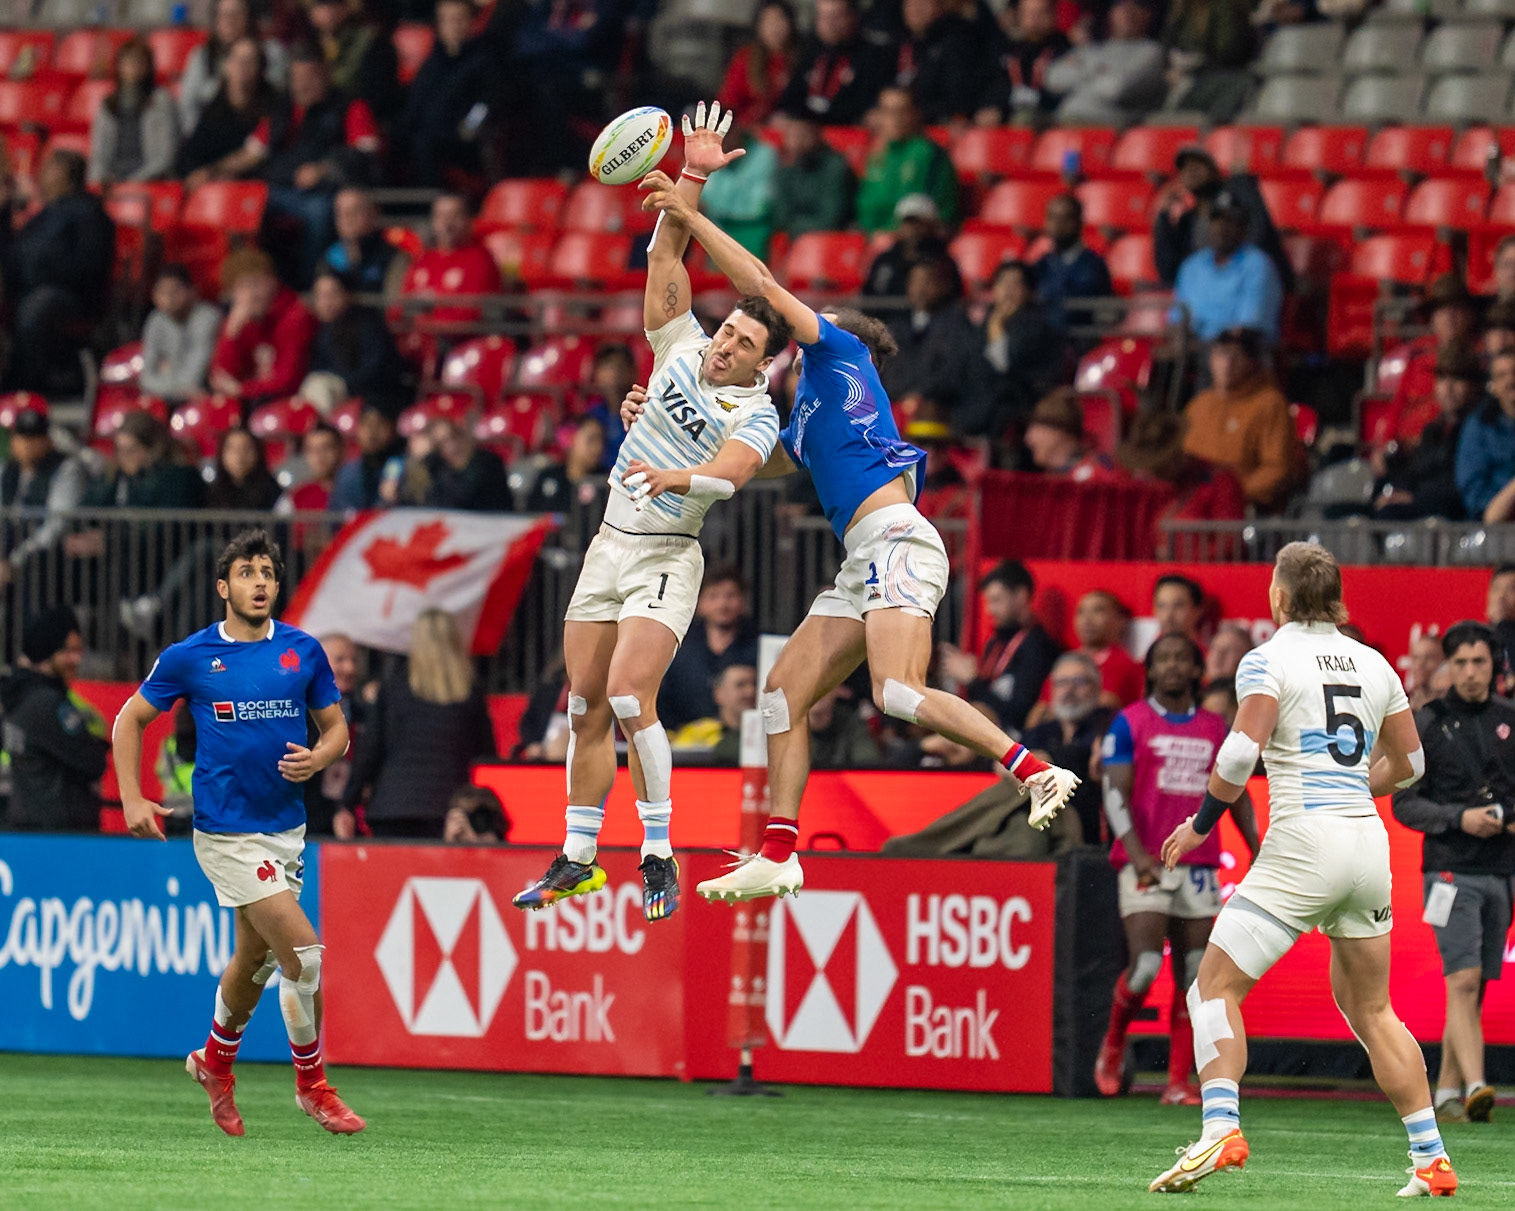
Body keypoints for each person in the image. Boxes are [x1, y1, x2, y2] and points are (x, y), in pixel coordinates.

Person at [634, 155, 1083, 902]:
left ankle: (1033, 768)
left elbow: (764, 289)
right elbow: (744, 465)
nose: (807, 330)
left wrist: (687, 216)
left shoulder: (841, 354)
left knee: (898, 694)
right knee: (780, 696)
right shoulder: (806, 420)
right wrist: (650, 418)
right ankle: (780, 851)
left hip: (899, 541)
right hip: (860, 563)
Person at [510, 107, 784, 923]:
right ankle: (578, 855)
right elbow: (666, 251)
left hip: (670, 551)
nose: (722, 344)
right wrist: (691, 175)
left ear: (762, 360)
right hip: (608, 546)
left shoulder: (756, 412)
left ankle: (659, 848)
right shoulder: (675, 346)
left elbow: (734, 474)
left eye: (740, 341)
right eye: (725, 328)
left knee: (632, 697)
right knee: (583, 705)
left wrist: (682, 473)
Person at [1151, 542, 1454, 1196]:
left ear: (1278, 597)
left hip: (1302, 840)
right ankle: (1430, 1157)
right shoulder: (1374, 663)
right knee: (1371, 1007)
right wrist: (1352, 786)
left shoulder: (1267, 658)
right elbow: (1412, 765)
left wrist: (1200, 822)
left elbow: (1237, 756)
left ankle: (1219, 1127)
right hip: (1365, 846)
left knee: (1211, 988)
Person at [111, 529, 363, 1137]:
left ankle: (214, 1064)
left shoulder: (302, 651)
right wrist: (131, 798)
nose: (260, 583)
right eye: (247, 573)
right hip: (225, 834)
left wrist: (320, 758)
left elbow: (337, 731)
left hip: (286, 830)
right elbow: (129, 720)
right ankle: (313, 1087)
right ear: (224, 587)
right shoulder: (190, 657)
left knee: (252, 963)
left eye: (268, 574)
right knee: (303, 955)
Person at [1097, 633, 1258, 1105]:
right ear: (1150, 670)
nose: (1171, 666)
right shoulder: (1129, 723)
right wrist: (1137, 851)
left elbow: (1237, 792)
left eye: (1181, 658)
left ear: (1195, 669)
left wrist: (1256, 848)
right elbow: (1113, 793)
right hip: (1144, 863)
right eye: (1162, 658)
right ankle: (1112, 1044)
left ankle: (1178, 1081)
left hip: (1200, 863)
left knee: (1194, 975)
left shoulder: (1215, 728)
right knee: (1146, 967)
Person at [1392, 621, 1514, 1126]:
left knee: (1474, 984)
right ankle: (1478, 1084)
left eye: (1479, 662)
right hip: (1448, 869)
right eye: (1460, 662)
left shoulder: (1511, 720)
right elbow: (1403, 802)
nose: (1469, 672)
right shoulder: (1426, 721)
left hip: (1503, 868)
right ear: (1448, 667)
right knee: (1462, 978)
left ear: (1496, 667)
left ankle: (1443, 1090)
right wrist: (1457, 818)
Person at [341, 608, 496, 837]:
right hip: (449, 810)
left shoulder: (394, 687)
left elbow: (369, 750)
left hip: (392, 808)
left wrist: (347, 804)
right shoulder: (469, 693)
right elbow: (486, 755)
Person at [247, 45, 381, 283]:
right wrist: (213, 171)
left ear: (326, 75)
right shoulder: (283, 107)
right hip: (278, 187)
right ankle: (259, 281)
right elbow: (253, 151)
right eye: (296, 78)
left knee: (318, 212)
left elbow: (367, 150)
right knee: (247, 205)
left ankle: (313, 284)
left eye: (309, 77)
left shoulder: (348, 105)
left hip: (324, 191)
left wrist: (324, 170)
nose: (302, 85)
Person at [0, 149, 115, 393]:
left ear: (66, 175)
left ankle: (34, 383)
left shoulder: (90, 213)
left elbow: (90, 265)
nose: (40, 174)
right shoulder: (43, 215)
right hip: (26, 289)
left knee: (37, 306)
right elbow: (11, 255)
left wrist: (42, 272)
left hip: (71, 296)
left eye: (49, 168)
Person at [1, 607, 108, 832]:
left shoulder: (16, 696)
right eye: (68, 651)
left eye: (79, 650)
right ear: (46, 652)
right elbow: (93, 761)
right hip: (60, 832)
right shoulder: (47, 703)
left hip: (24, 826)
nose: (77, 659)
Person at [936, 558, 1063, 734]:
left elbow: (1019, 715)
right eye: (988, 602)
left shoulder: (1039, 647)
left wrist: (973, 681)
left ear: (1021, 595)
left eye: (996, 600)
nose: (989, 610)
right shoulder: (994, 644)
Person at [1181, 326, 1299, 510]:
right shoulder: (1199, 405)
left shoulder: (1270, 404)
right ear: (1211, 359)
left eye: (1237, 356)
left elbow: (1277, 469)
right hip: (1196, 507)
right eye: (1221, 355)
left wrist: (1231, 494)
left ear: (1252, 362)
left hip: (1246, 512)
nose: (1227, 364)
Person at [1155, 146, 1290, 292]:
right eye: (1184, 168)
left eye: (1198, 164)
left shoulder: (1236, 195)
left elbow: (1258, 234)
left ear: (1214, 170)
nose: (1191, 171)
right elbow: (1168, 272)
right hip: (1207, 295)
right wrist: (1163, 219)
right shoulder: (1187, 221)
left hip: (1247, 287)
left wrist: (1241, 179)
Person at [1375, 347, 1482, 521]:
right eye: (1442, 378)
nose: (1447, 387)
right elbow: (1418, 472)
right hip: (1423, 505)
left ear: (1474, 385)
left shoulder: (1478, 429)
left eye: (1457, 378)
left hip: (1449, 514)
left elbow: (1460, 488)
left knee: (1389, 514)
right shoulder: (1434, 428)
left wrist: (1414, 498)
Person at [395, 0, 493, 187]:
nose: (452, 26)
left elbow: (485, 105)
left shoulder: (485, 61)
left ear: (472, 22)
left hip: (462, 140)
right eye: (446, 20)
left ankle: (429, 206)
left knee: (424, 144)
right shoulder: (431, 64)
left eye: (458, 19)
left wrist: (468, 129)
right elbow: (415, 107)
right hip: (426, 134)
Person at [1023, 650, 1117, 844]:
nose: (1069, 690)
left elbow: (1078, 760)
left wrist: (1037, 761)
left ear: (1098, 689)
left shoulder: (1108, 725)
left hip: (1086, 824)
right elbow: (1004, 761)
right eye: (1062, 683)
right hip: (1040, 818)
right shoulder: (1043, 730)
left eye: (1079, 682)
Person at [1378, 277, 1479, 457]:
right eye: (1440, 310)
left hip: (1451, 450)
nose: (1449, 316)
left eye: (1456, 308)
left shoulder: (1480, 356)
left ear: (1469, 314)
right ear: (1432, 318)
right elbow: (1398, 406)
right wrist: (1385, 447)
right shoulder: (1419, 356)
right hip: (1407, 450)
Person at [210, 249, 318, 405]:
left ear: (273, 282)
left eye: (256, 284)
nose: (251, 294)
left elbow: (289, 381)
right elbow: (222, 377)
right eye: (242, 287)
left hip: (293, 401)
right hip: (253, 401)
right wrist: (231, 335)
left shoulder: (296, 316)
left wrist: (242, 389)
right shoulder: (238, 319)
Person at [1172, 195, 1283, 347]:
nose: (1222, 227)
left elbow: (1249, 328)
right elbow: (1177, 319)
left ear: (1244, 228)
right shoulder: (1191, 266)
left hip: (1238, 351)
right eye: (1217, 220)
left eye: (1231, 221)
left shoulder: (1258, 265)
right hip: (1190, 351)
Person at [659, 565, 760, 730]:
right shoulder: (679, 647)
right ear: (699, 603)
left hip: (743, 740)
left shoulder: (758, 647)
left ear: (743, 601)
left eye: (730, 596)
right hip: (684, 743)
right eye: (713, 596)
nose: (722, 604)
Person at [882, 255, 980, 425]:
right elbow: (889, 371)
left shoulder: (957, 324)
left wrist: (921, 395)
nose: (920, 289)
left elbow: (954, 372)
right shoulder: (896, 327)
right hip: (897, 405)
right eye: (915, 282)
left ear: (944, 286)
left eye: (927, 281)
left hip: (940, 409)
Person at [0, 403, 89, 589]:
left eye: (34, 438)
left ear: (47, 440)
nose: (27, 444)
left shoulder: (65, 468)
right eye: (21, 437)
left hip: (45, 560)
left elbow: (55, 526)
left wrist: (16, 559)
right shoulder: (7, 470)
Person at [174, 37, 280, 187]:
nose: (243, 66)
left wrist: (216, 173)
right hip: (213, 193)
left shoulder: (274, 107)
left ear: (260, 68)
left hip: (256, 191)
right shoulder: (214, 110)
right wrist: (198, 174)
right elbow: (189, 156)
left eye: (250, 61)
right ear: (227, 65)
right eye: (237, 59)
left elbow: (259, 155)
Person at [854, 87, 958, 236]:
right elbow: (865, 207)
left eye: (902, 111)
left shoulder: (929, 154)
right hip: (873, 238)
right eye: (888, 112)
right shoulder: (875, 155)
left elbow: (929, 212)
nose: (895, 119)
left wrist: (889, 235)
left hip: (916, 241)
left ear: (915, 114)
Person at [1043, 0, 1165, 126]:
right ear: (1111, 13)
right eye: (1121, 7)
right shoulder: (1094, 48)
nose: (1128, 13)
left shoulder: (1151, 51)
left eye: (1136, 7)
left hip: (1113, 130)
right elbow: (1052, 78)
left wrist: (1083, 70)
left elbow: (1116, 88)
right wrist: (1099, 72)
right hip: (1067, 124)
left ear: (1147, 15)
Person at [177, 0, 289, 133]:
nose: (229, 20)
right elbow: (187, 104)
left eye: (236, 14)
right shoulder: (203, 56)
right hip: (211, 134)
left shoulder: (272, 52)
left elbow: (279, 100)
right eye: (223, 15)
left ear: (249, 17)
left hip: (258, 134)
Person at [775, 0, 893, 126]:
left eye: (836, 16)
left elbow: (862, 111)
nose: (829, 24)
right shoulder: (808, 51)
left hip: (846, 135)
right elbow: (790, 99)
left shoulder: (874, 57)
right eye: (823, 16)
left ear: (853, 17)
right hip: (803, 132)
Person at [308, 268, 408, 409]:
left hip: (376, 398)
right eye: (321, 296)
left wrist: (344, 384)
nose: (326, 302)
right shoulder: (318, 330)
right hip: (338, 394)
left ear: (347, 295)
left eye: (332, 294)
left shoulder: (368, 325)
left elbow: (375, 371)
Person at [401, 193, 503, 330]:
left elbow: (468, 317)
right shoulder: (423, 258)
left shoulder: (480, 260)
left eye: (455, 216)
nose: (447, 223)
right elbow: (399, 310)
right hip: (416, 343)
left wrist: (429, 310)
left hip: (457, 344)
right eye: (440, 216)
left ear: (469, 220)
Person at [88, 37, 179, 187]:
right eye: (127, 62)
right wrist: (98, 183)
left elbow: (165, 157)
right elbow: (99, 156)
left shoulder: (161, 101)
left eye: (138, 62)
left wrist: (131, 183)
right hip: (113, 182)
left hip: (150, 182)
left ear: (148, 67)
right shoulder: (108, 104)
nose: (132, 67)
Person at [307, 0, 400, 126]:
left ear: (346, 7)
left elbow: (374, 94)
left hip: (359, 120)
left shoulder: (371, 42)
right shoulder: (312, 45)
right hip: (322, 121)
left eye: (330, 5)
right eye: (318, 6)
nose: (326, 12)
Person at [1161, 0, 1255, 123]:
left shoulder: (1230, 8)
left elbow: (1235, 55)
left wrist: (1197, 64)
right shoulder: (1179, 10)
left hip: (1220, 77)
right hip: (1185, 79)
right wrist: (1169, 70)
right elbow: (1167, 46)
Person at [975, 0, 1071, 121]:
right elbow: (994, 85)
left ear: (1053, 14)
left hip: (1051, 115)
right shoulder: (1008, 50)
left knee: (1023, 118)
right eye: (1029, 13)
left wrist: (1039, 98)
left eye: (1041, 12)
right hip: (1008, 113)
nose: (1035, 19)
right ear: (1019, 15)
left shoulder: (1065, 49)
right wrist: (996, 105)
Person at [139, 264, 222, 403]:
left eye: (175, 291)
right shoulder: (155, 320)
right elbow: (146, 378)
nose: (168, 298)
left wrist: (166, 377)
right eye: (162, 292)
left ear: (192, 291)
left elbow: (194, 378)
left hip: (207, 397)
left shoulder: (208, 317)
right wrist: (177, 389)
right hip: (174, 396)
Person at [890, 0, 983, 123]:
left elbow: (957, 101)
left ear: (939, 7)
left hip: (935, 126)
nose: (916, 9)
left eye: (924, 3)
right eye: (910, 3)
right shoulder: (893, 45)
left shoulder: (956, 42)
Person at [1034, 194, 1114, 335]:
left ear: (1078, 222)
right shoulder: (1043, 263)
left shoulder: (1092, 265)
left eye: (1065, 218)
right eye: (1052, 217)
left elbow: (1073, 310)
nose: (1057, 225)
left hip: (1076, 341)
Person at [306, 632, 361, 837]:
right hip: (305, 823)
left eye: (353, 660)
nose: (350, 668)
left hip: (348, 823)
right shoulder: (297, 710)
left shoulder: (364, 711)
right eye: (340, 660)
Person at [771, 109, 856, 239]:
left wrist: (795, 225)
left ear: (818, 136)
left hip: (830, 240)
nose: (797, 142)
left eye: (803, 135)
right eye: (792, 136)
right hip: (797, 239)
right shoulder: (785, 169)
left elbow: (830, 220)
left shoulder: (835, 167)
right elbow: (780, 218)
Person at [697, 121, 778, 256]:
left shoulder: (765, 154)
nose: (720, 141)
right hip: (716, 229)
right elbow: (702, 199)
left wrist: (712, 208)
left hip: (752, 229)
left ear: (737, 130)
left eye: (724, 134)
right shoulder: (711, 155)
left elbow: (757, 207)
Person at [716, 0, 796, 128]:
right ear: (758, 26)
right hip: (748, 131)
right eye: (768, 21)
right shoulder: (745, 58)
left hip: (792, 133)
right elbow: (727, 103)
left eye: (780, 19)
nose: (774, 27)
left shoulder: (801, 59)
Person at [861, 193, 955, 300]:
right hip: (886, 316)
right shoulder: (884, 261)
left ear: (930, 225)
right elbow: (869, 297)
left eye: (918, 223)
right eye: (908, 222)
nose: (912, 228)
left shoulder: (942, 263)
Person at [1457, 351, 1515, 524]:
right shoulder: (1479, 427)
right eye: (1502, 375)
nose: (1511, 380)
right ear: (1493, 386)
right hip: (1492, 529)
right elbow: (1475, 495)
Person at [318, 188, 405, 298]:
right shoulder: (330, 258)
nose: (347, 219)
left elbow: (394, 305)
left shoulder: (393, 257)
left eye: (354, 212)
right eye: (340, 213)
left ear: (374, 213)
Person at [1022, 389, 1123, 481]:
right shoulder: (1054, 478)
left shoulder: (1098, 478)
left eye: (1035, 430)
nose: (1028, 439)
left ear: (1059, 431)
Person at [670, 663, 758, 764]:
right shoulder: (698, 733)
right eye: (740, 685)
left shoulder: (767, 736)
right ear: (719, 693)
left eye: (755, 684)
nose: (750, 691)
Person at [422, 416, 510, 511]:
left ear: (462, 435)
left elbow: (465, 496)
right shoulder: (436, 470)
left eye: (453, 437)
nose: (451, 446)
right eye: (441, 444)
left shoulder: (489, 463)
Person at [329, 404, 405, 512]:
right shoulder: (347, 473)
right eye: (366, 424)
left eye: (379, 424)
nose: (372, 432)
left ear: (392, 429)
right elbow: (337, 518)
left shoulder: (405, 468)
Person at [526, 416, 607, 514]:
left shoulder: (606, 483)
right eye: (591, 440)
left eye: (601, 440)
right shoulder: (548, 477)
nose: (598, 448)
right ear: (571, 439)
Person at [806, 686, 883, 770]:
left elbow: (869, 767)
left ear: (837, 688)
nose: (816, 691)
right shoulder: (790, 730)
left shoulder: (852, 723)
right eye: (808, 683)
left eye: (823, 682)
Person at [278, 423, 344, 515]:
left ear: (341, 451)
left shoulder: (358, 492)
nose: (319, 456)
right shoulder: (296, 497)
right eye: (312, 450)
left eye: (326, 448)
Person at [443, 785, 511, 844]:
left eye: (478, 820)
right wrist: (448, 843)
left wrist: (471, 838)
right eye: (464, 818)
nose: (466, 827)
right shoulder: (440, 853)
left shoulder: (510, 856)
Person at [1154, 573, 1204, 640]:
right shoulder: (1146, 650)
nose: (1168, 616)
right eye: (1161, 606)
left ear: (1197, 611)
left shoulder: (1210, 650)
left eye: (1178, 606)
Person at [1405, 633, 1445, 713]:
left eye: (1429, 658)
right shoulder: (1402, 704)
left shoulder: (1452, 706)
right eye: (1415, 658)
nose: (1420, 664)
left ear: (1443, 662)